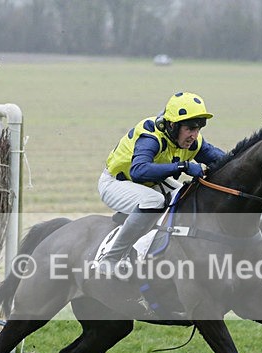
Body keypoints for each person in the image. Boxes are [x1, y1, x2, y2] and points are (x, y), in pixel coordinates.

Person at [96, 92, 225, 277]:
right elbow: (138, 171)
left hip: (151, 182)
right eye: (189, 128)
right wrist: (183, 166)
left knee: (187, 194)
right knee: (154, 200)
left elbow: (225, 161)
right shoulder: (151, 136)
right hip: (116, 183)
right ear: (173, 125)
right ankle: (111, 258)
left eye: (198, 129)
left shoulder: (194, 141)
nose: (194, 136)